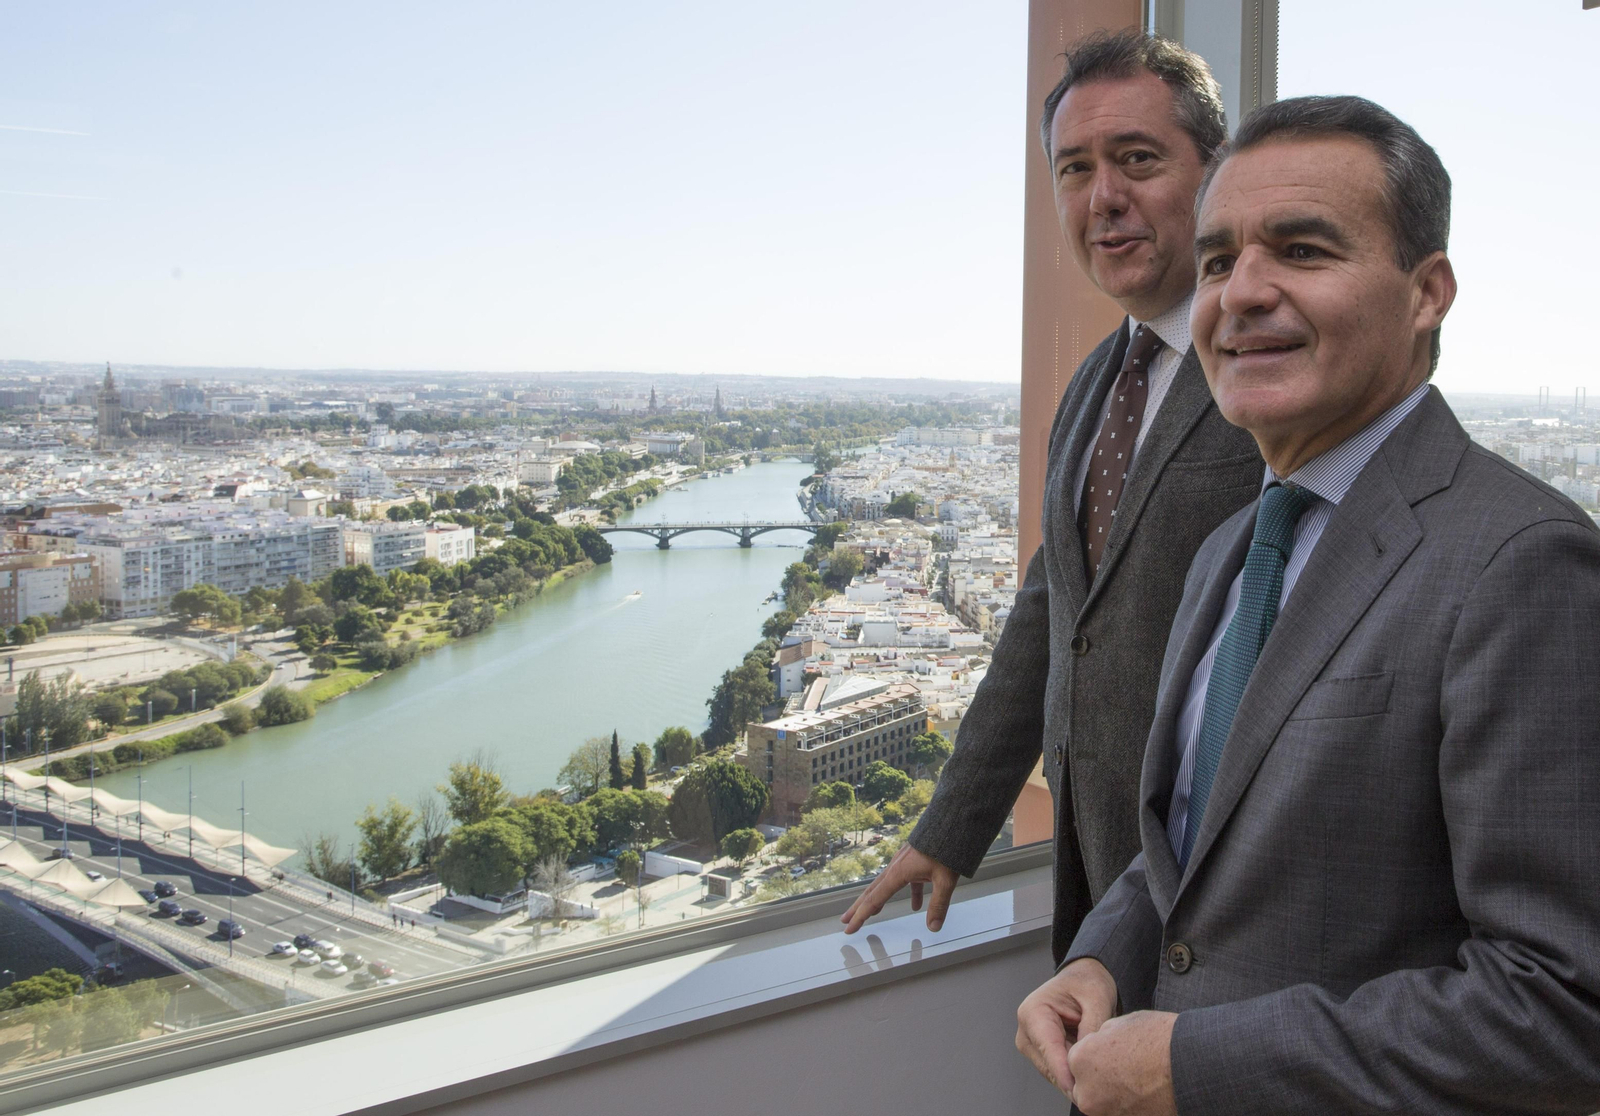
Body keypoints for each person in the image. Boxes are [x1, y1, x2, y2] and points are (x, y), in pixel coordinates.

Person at [1019, 95, 1600, 1114]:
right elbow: (1193, 846)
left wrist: (1195, 1064)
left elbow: (1561, 1008)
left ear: (1426, 294)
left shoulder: (1522, 564)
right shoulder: (1228, 553)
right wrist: (1103, 961)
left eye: (1300, 249)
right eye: (1213, 261)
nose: (1240, 294)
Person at [843, 30, 1262, 959]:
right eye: (1075, 169)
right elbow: (1053, 612)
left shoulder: (1269, 373)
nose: (1103, 197)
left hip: (1220, 892)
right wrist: (952, 825)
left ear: (1217, 172)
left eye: (1138, 160)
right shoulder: (1094, 388)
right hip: (1095, 861)